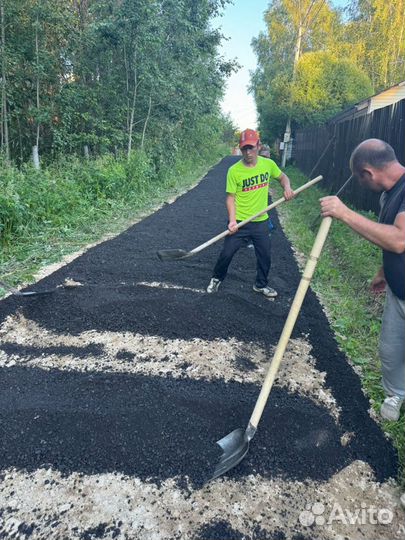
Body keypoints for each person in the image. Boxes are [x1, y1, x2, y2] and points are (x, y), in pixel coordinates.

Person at [320, 139, 405, 422]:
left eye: (360, 179)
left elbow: (400, 239)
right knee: (390, 351)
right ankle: (397, 394)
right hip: (397, 291)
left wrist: (344, 213)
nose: (362, 184)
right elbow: (390, 238)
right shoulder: (388, 195)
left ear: (368, 172)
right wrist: (384, 271)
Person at [207, 128, 294, 298]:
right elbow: (230, 198)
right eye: (244, 148)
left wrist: (288, 187)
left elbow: (283, 177)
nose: (248, 152)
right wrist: (232, 221)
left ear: (258, 146)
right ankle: (216, 278)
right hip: (240, 222)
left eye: (251, 148)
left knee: (265, 255)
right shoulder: (234, 170)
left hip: (261, 220)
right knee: (226, 253)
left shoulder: (268, 165)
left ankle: (260, 285)